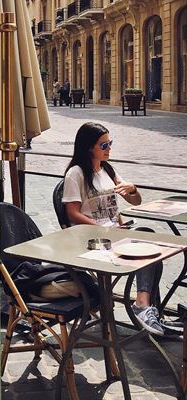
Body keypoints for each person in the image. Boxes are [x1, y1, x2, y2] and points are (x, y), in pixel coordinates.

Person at [61, 122, 170, 336]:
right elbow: (72, 214)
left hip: (115, 233)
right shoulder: (76, 174)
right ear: (89, 147)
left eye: (110, 143)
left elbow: (136, 202)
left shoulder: (107, 170)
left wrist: (133, 189)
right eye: (104, 145)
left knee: (151, 242)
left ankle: (145, 306)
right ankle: (143, 307)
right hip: (93, 239)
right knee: (146, 249)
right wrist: (105, 230)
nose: (109, 148)